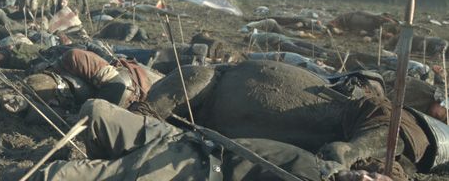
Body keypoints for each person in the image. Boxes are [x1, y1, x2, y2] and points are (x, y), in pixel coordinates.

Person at [40, 99, 391, 181]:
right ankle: (117, 167)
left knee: (60, 174)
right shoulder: (329, 167)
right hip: (186, 140)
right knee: (96, 110)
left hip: (191, 170)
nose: (366, 178)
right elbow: (341, 156)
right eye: (374, 177)